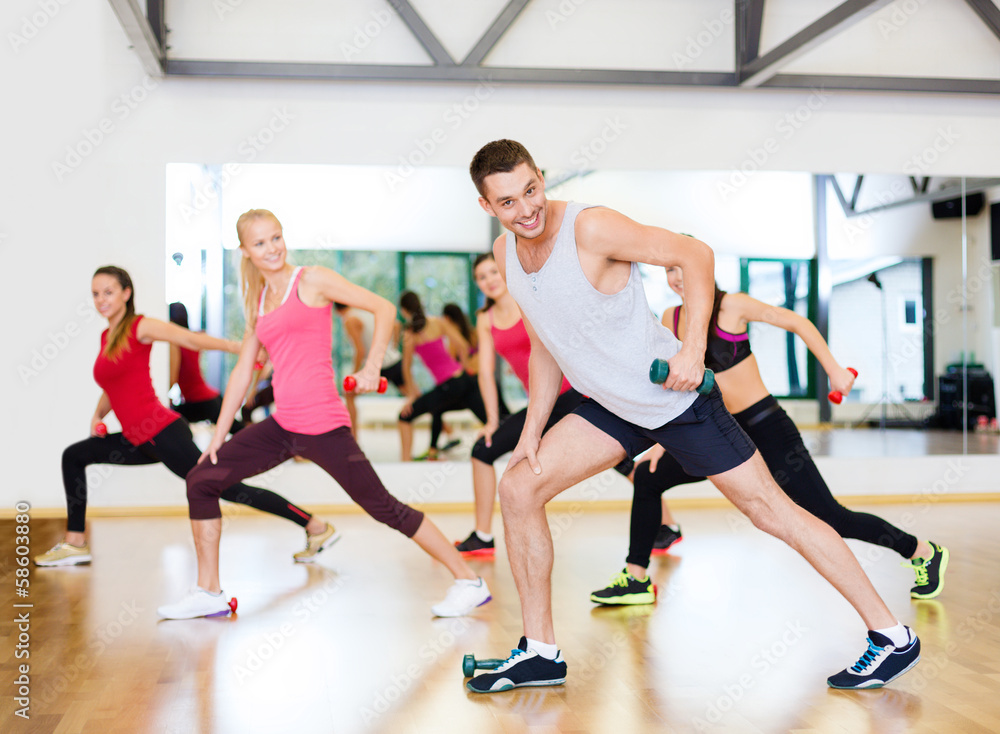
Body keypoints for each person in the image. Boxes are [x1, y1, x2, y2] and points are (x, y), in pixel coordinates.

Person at [463, 139, 920, 693]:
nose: (527, 209)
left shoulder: (591, 228)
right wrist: (532, 428)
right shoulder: (507, 254)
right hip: (610, 406)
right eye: (509, 202)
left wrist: (692, 347)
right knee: (517, 490)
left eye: (532, 189)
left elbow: (694, 255)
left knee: (773, 511)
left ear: (541, 176)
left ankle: (892, 635)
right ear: (489, 207)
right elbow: (543, 345)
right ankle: (540, 653)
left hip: (676, 403)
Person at [157, 209, 491, 620]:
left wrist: (371, 367)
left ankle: (468, 581)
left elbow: (383, 308)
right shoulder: (258, 301)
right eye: (260, 243)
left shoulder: (311, 280)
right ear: (245, 251)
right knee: (201, 479)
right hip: (282, 426)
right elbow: (245, 369)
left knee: (384, 507)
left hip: (324, 426)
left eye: (276, 237)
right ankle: (209, 592)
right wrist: (218, 436)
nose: (272, 248)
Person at [592, 269, 948, 605]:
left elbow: (797, 322)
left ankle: (921, 551)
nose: (676, 277)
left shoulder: (733, 305)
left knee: (830, 516)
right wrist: (660, 442)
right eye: (669, 269)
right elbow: (679, 384)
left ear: (701, 268)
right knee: (648, 478)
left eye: (682, 267)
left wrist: (834, 371)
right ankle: (636, 577)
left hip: (765, 426)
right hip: (716, 431)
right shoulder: (671, 317)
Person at [34, 266, 335, 567]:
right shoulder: (107, 337)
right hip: (137, 438)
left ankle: (315, 527)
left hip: (163, 433)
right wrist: (97, 416)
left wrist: (239, 347)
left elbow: (189, 340)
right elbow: (114, 386)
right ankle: (75, 542)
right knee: (73, 456)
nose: (101, 300)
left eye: (108, 292)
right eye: (96, 294)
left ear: (126, 294)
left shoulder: (140, 326)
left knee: (228, 488)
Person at [454, 253, 630, 557]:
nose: (489, 280)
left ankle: (664, 525)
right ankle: (482, 535)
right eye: (482, 277)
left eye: (493, 272)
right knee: (482, 451)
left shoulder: (529, 300)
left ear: (505, 272)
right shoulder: (486, 319)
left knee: (622, 460)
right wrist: (492, 420)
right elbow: (484, 372)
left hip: (574, 395)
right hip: (541, 405)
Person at [397, 291, 489, 461]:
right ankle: (432, 451)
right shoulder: (438, 322)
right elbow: (462, 345)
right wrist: (465, 366)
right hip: (461, 379)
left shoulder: (409, 335)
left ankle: (405, 461)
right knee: (488, 419)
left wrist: (411, 395)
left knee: (404, 417)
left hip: (449, 385)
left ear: (404, 311)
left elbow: (406, 368)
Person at [167, 302, 245, 433]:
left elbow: (173, 380)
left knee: (170, 419)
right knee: (238, 429)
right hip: (211, 397)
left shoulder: (176, 344)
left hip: (202, 401)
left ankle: (266, 442)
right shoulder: (194, 337)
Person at [334, 302, 404, 436]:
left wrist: (354, 375)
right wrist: (392, 348)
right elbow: (396, 325)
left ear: (336, 311)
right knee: (415, 396)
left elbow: (360, 350)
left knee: (349, 395)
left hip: (377, 365)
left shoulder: (349, 320)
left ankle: (353, 438)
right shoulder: (363, 311)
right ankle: (448, 431)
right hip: (393, 360)